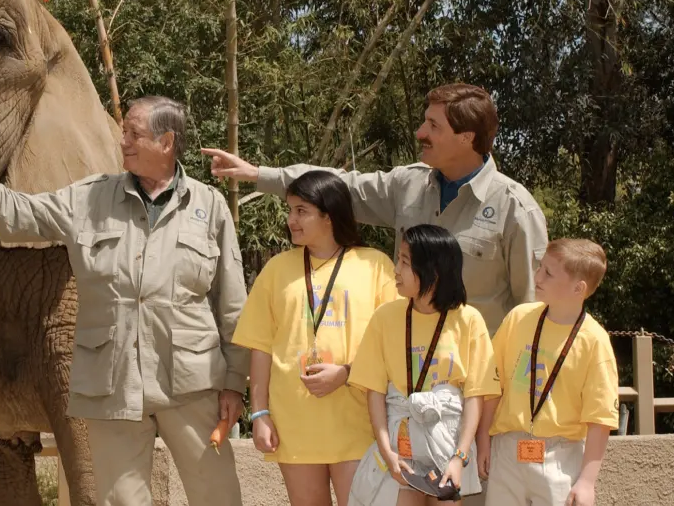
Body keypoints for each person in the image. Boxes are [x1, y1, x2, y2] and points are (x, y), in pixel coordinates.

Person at [0, 96, 249, 506]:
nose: (121, 140)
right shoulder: (89, 198)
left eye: (133, 133)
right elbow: (15, 216)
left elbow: (232, 305)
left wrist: (234, 384)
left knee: (218, 497)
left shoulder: (209, 207)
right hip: (113, 383)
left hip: (193, 382)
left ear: (166, 142)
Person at [202, 82, 548, 336]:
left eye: (433, 126)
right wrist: (258, 174)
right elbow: (340, 187)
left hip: (477, 387)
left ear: (466, 138)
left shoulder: (515, 210)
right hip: (407, 374)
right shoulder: (408, 185)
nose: (419, 132)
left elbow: (534, 311)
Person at [231, 170, 399, 506]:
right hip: (296, 426)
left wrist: (347, 373)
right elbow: (260, 348)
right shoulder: (277, 269)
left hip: (360, 424)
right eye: (290, 210)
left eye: (301, 211)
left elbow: (393, 344)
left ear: (329, 214)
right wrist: (260, 415)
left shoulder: (376, 265)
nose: (291, 220)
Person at [347, 224, 500, 506]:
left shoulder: (469, 320)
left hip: (449, 443)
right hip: (400, 446)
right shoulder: (385, 318)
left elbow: (475, 395)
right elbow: (375, 392)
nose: (395, 269)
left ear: (434, 270)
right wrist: (386, 452)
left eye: (405, 261)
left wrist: (460, 457)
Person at [476, 238, 619, 506]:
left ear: (579, 288)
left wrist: (587, 481)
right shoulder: (518, 317)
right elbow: (493, 383)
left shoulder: (595, 341)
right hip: (507, 450)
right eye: (540, 267)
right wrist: (483, 437)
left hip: (560, 458)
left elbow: (600, 418)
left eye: (548, 273)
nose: (537, 276)